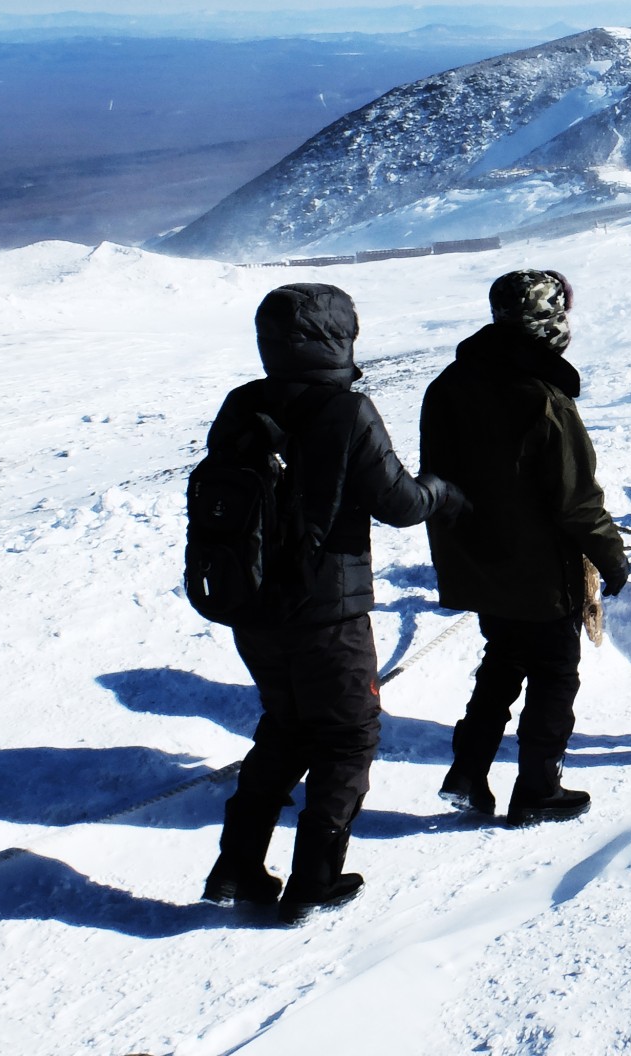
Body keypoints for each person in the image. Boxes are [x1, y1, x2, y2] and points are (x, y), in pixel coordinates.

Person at [200, 283, 463, 921]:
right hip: (329, 614)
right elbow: (399, 503)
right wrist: (445, 491)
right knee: (348, 738)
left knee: (286, 727)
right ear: (337, 337)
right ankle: (315, 877)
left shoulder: (242, 405)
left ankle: (237, 865)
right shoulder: (347, 411)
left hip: (253, 607)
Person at [420, 269, 630, 825]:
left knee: (501, 661)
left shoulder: (447, 385)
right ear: (550, 323)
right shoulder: (544, 397)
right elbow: (575, 500)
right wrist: (612, 557)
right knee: (555, 674)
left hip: (480, 562)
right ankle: (538, 787)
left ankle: (467, 772)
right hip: (541, 569)